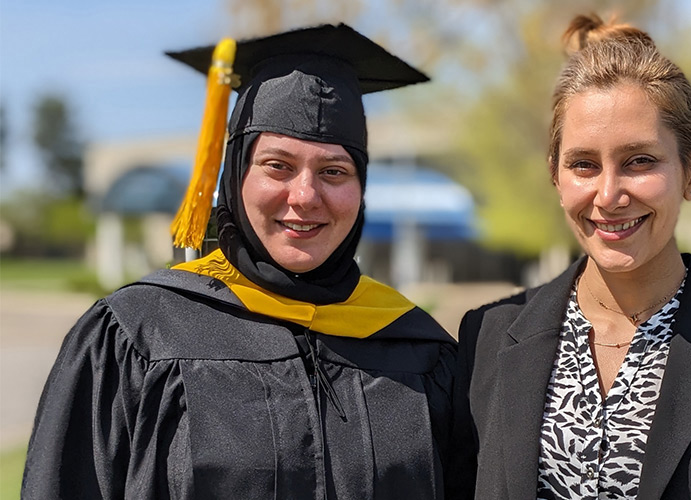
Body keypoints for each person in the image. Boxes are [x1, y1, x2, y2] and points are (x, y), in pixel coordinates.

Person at [23, 24, 458, 499]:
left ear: (361, 188)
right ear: (234, 175)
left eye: (335, 171)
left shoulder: (419, 349)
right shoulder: (138, 335)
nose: (306, 196)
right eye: (278, 166)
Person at [448, 13, 691, 500]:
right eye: (584, 164)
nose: (608, 195)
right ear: (555, 174)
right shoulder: (486, 338)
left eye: (640, 161)